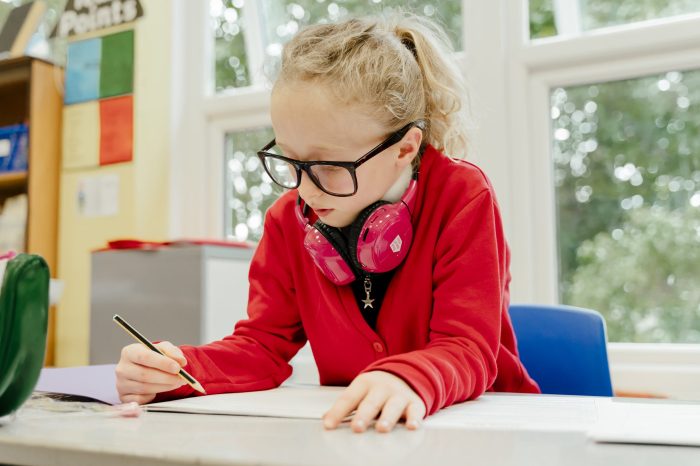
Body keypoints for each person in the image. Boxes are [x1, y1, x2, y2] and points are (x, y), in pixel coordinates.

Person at [115, 12, 540, 434]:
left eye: (328, 165)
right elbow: (262, 345)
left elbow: (467, 347)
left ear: (405, 148)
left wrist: (407, 378)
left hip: (483, 427)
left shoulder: (461, 196)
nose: (304, 190)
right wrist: (177, 370)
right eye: (290, 160)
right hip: (364, 432)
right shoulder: (286, 221)